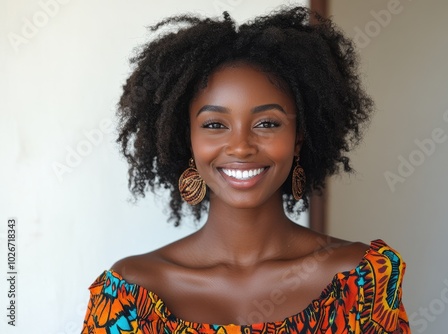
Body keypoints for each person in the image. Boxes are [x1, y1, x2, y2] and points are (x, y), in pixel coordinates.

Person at [81, 6, 410, 334]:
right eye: (214, 124)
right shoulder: (130, 292)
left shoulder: (361, 282)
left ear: (298, 139)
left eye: (267, 123)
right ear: (187, 140)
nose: (241, 147)